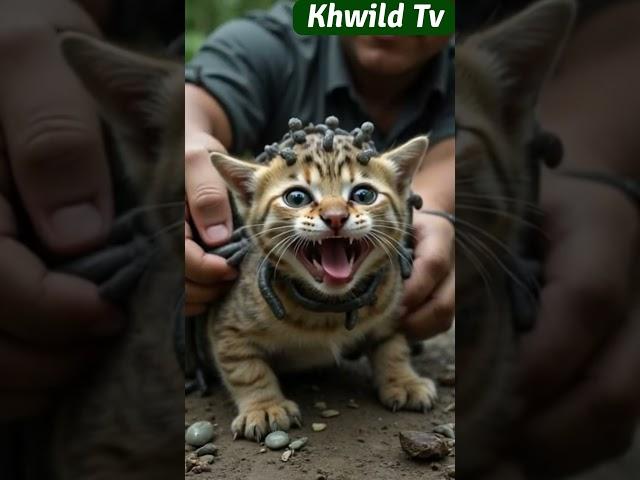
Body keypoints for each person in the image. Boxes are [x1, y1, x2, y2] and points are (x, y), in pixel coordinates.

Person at [184, 2, 456, 342]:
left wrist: (431, 217)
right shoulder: (267, 43)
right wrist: (186, 145)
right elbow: (189, 109)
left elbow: (448, 162)